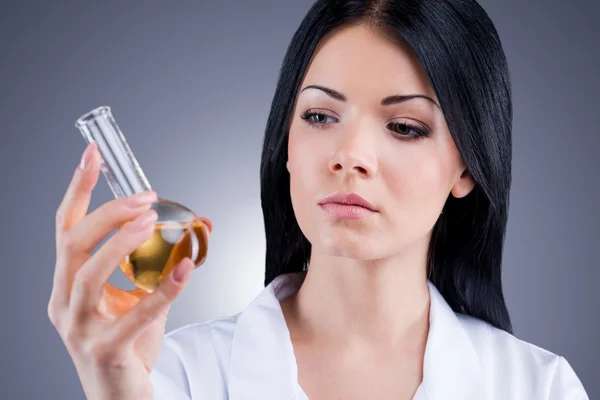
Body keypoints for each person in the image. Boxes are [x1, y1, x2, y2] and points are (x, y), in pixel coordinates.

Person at [48, 0, 590, 399]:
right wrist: (116, 386)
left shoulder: (537, 387)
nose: (350, 155)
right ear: (287, 144)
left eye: (404, 126)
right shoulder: (172, 376)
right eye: (320, 116)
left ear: (467, 166)